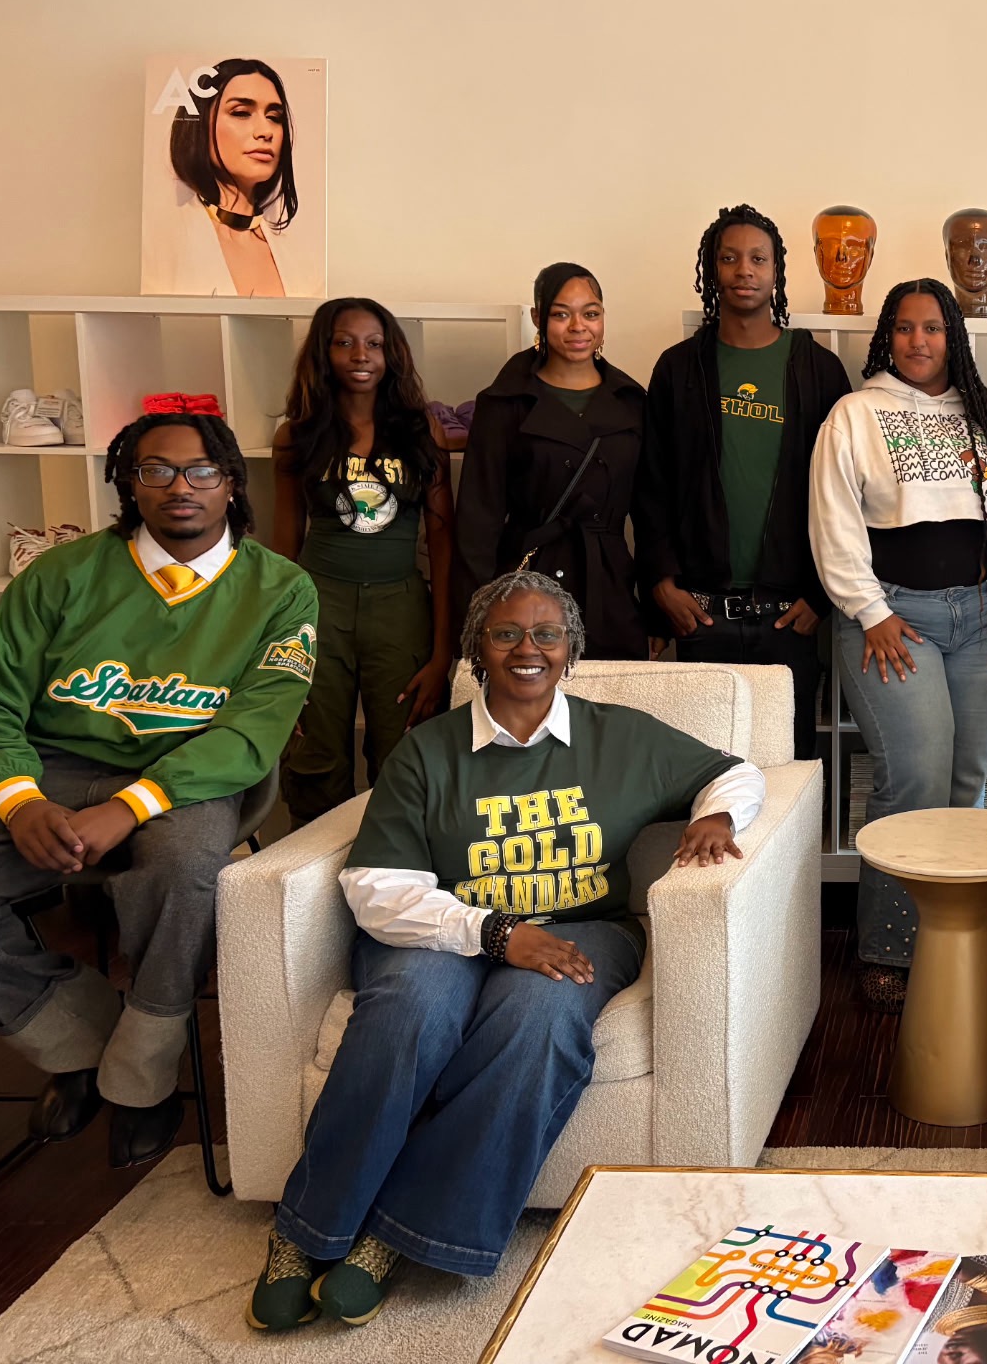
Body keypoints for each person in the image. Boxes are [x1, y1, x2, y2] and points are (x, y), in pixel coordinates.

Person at [249, 570, 766, 1330]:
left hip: (581, 927)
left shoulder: (620, 736)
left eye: (547, 634)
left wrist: (717, 817)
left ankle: (400, 1232)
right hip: (444, 929)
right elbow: (376, 887)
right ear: (476, 650)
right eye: (506, 634)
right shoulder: (428, 751)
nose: (529, 649)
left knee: (540, 1017)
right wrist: (494, 934)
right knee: (410, 1011)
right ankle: (306, 1229)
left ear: (571, 649)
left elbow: (737, 772)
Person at [0, 413, 317, 1167]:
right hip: (52, 764)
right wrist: (18, 799)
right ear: (129, 484)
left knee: (184, 866)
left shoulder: (282, 590)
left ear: (231, 483)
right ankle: (81, 1041)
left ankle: (143, 1078)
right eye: (155, 470)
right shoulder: (62, 574)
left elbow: (251, 732)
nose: (179, 487)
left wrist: (128, 807)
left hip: (189, 776)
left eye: (201, 471)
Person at [809, 277, 987, 1011]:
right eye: (905, 328)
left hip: (981, 614)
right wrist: (869, 611)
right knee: (914, 778)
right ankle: (888, 948)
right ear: (887, 336)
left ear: (954, 338)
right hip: (893, 617)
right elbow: (833, 519)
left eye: (933, 328)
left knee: (966, 780)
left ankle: (955, 938)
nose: (918, 341)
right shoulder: (855, 415)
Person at [635, 205, 852, 761]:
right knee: (706, 775)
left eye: (758, 258)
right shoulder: (679, 368)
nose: (744, 271)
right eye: (729, 258)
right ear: (712, 270)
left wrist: (821, 596)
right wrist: (661, 585)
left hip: (789, 616)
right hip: (701, 612)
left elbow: (846, 495)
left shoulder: (818, 370)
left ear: (777, 270)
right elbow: (651, 483)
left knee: (788, 773)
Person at [272, 297, 454, 823]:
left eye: (374, 343)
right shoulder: (297, 435)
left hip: (399, 608)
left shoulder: (423, 431)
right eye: (344, 342)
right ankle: (311, 869)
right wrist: (276, 645)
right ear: (323, 353)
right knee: (314, 756)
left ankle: (391, 865)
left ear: (390, 354)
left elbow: (443, 545)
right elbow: (284, 547)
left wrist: (442, 654)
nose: (360, 355)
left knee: (403, 754)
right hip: (317, 607)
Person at [456, 262, 647, 659]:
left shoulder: (632, 402)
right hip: (527, 583)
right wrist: (474, 614)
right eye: (561, 314)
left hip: (610, 587)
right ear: (537, 318)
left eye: (590, 313)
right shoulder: (505, 402)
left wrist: (656, 612)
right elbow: (478, 519)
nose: (578, 327)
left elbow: (653, 514)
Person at [150, 57, 300, 298]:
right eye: (241, 113)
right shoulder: (161, 244)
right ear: (200, 124)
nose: (265, 132)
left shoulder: (299, 258)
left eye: (274, 117)